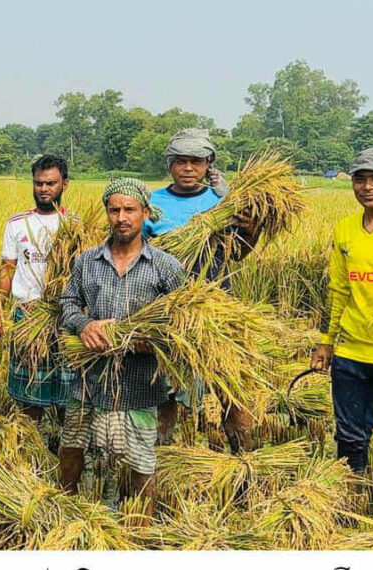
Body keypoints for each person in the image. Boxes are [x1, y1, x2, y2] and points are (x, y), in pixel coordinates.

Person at [58, 178, 184, 511]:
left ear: (145, 213)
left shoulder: (166, 267)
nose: (121, 217)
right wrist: (84, 325)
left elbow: (181, 323)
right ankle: (64, 514)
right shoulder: (87, 261)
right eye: (114, 210)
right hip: (89, 378)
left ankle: (137, 528)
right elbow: (68, 302)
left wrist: (146, 341)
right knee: (71, 448)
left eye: (129, 209)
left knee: (139, 463)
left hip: (140, 382)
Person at [143, 128, 262, 452]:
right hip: (167, 312)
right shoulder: (151, 204)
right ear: (170, 164)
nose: (187, 168)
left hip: (218, 309)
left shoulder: (224, 201)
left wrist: (251, 229)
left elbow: (240, 253)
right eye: (180, 161)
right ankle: (165, 459)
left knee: (232, 391)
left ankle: (242, 463)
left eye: (196, 161)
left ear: (209, 163)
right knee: (165, 393)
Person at [310, 147, 373, 474]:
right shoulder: (346, 229)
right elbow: (338, 289)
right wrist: (326, 341)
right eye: (360, 179)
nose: (367, 187)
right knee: (350, 440)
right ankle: (355, 504)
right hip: (353, 355)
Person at [0, 155, 75, 432]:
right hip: (27, 316)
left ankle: (64, 446)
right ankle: (30, 442)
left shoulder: (76, 225)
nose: (44, 189)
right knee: (29, 389)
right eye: (39, 183)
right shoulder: (16, 223)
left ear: (64, 184)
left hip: (65, 317)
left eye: (51, 183)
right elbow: (7, 269)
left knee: (69, 391)